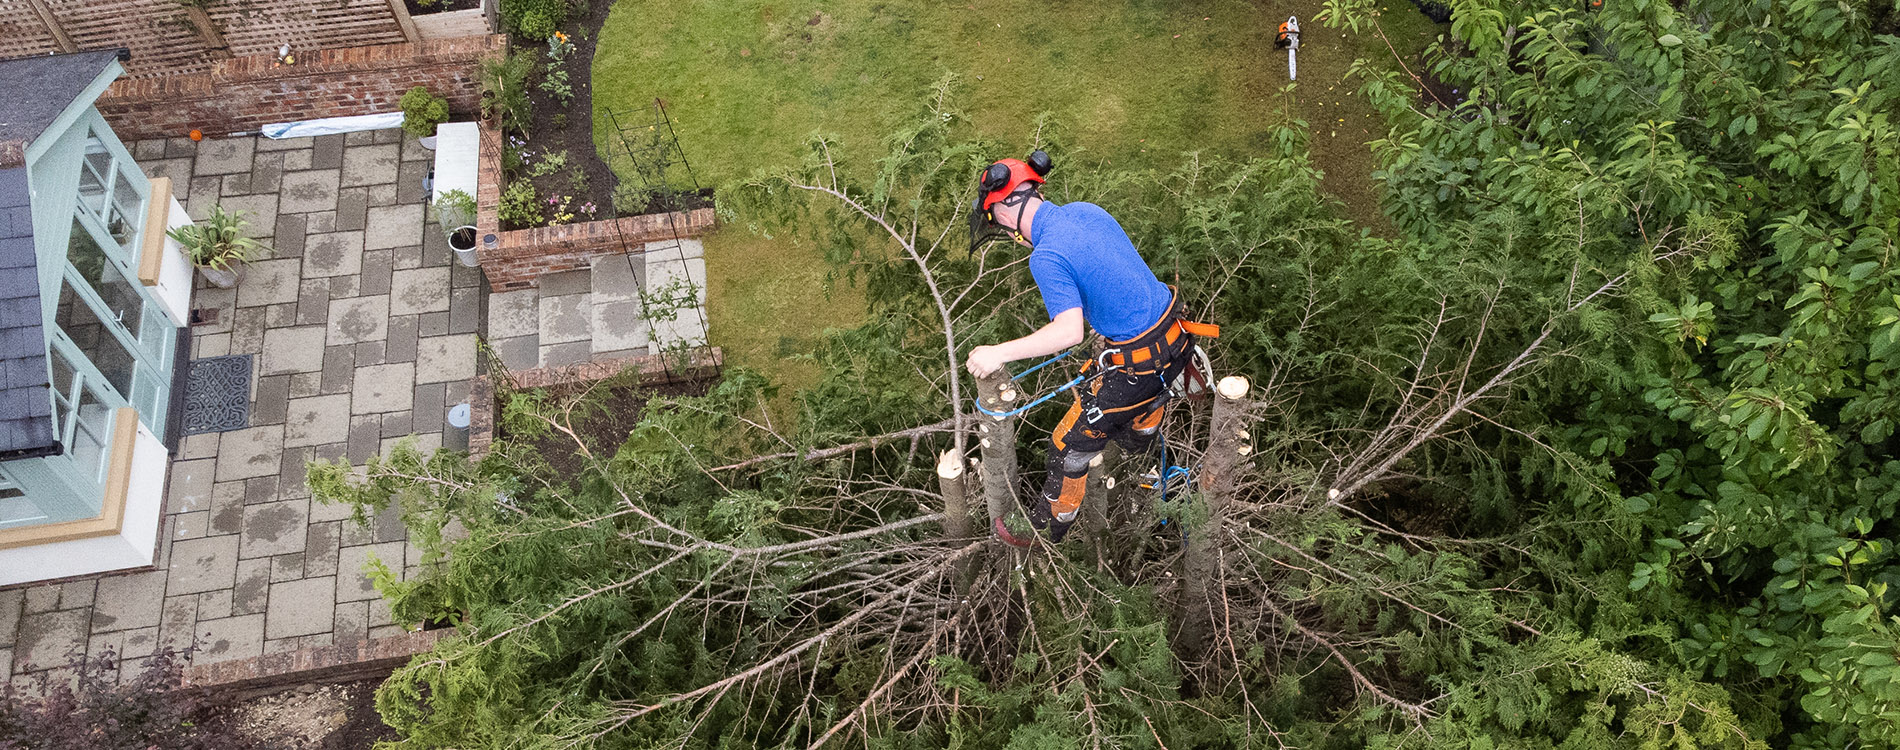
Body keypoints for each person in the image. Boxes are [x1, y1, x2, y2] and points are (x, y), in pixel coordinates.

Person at [965, 152, 1215, 544]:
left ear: (1006, 209)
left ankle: (1050, 525)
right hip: (1176, 340)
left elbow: (1068, 333)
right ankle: (1140, 435)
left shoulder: (1046, 256)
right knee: (1134, 393)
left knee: (1066, 447)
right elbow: (1116, 273)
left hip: (1141, 367)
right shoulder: (1086, 211)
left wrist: (998, 353)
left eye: (994, 217)